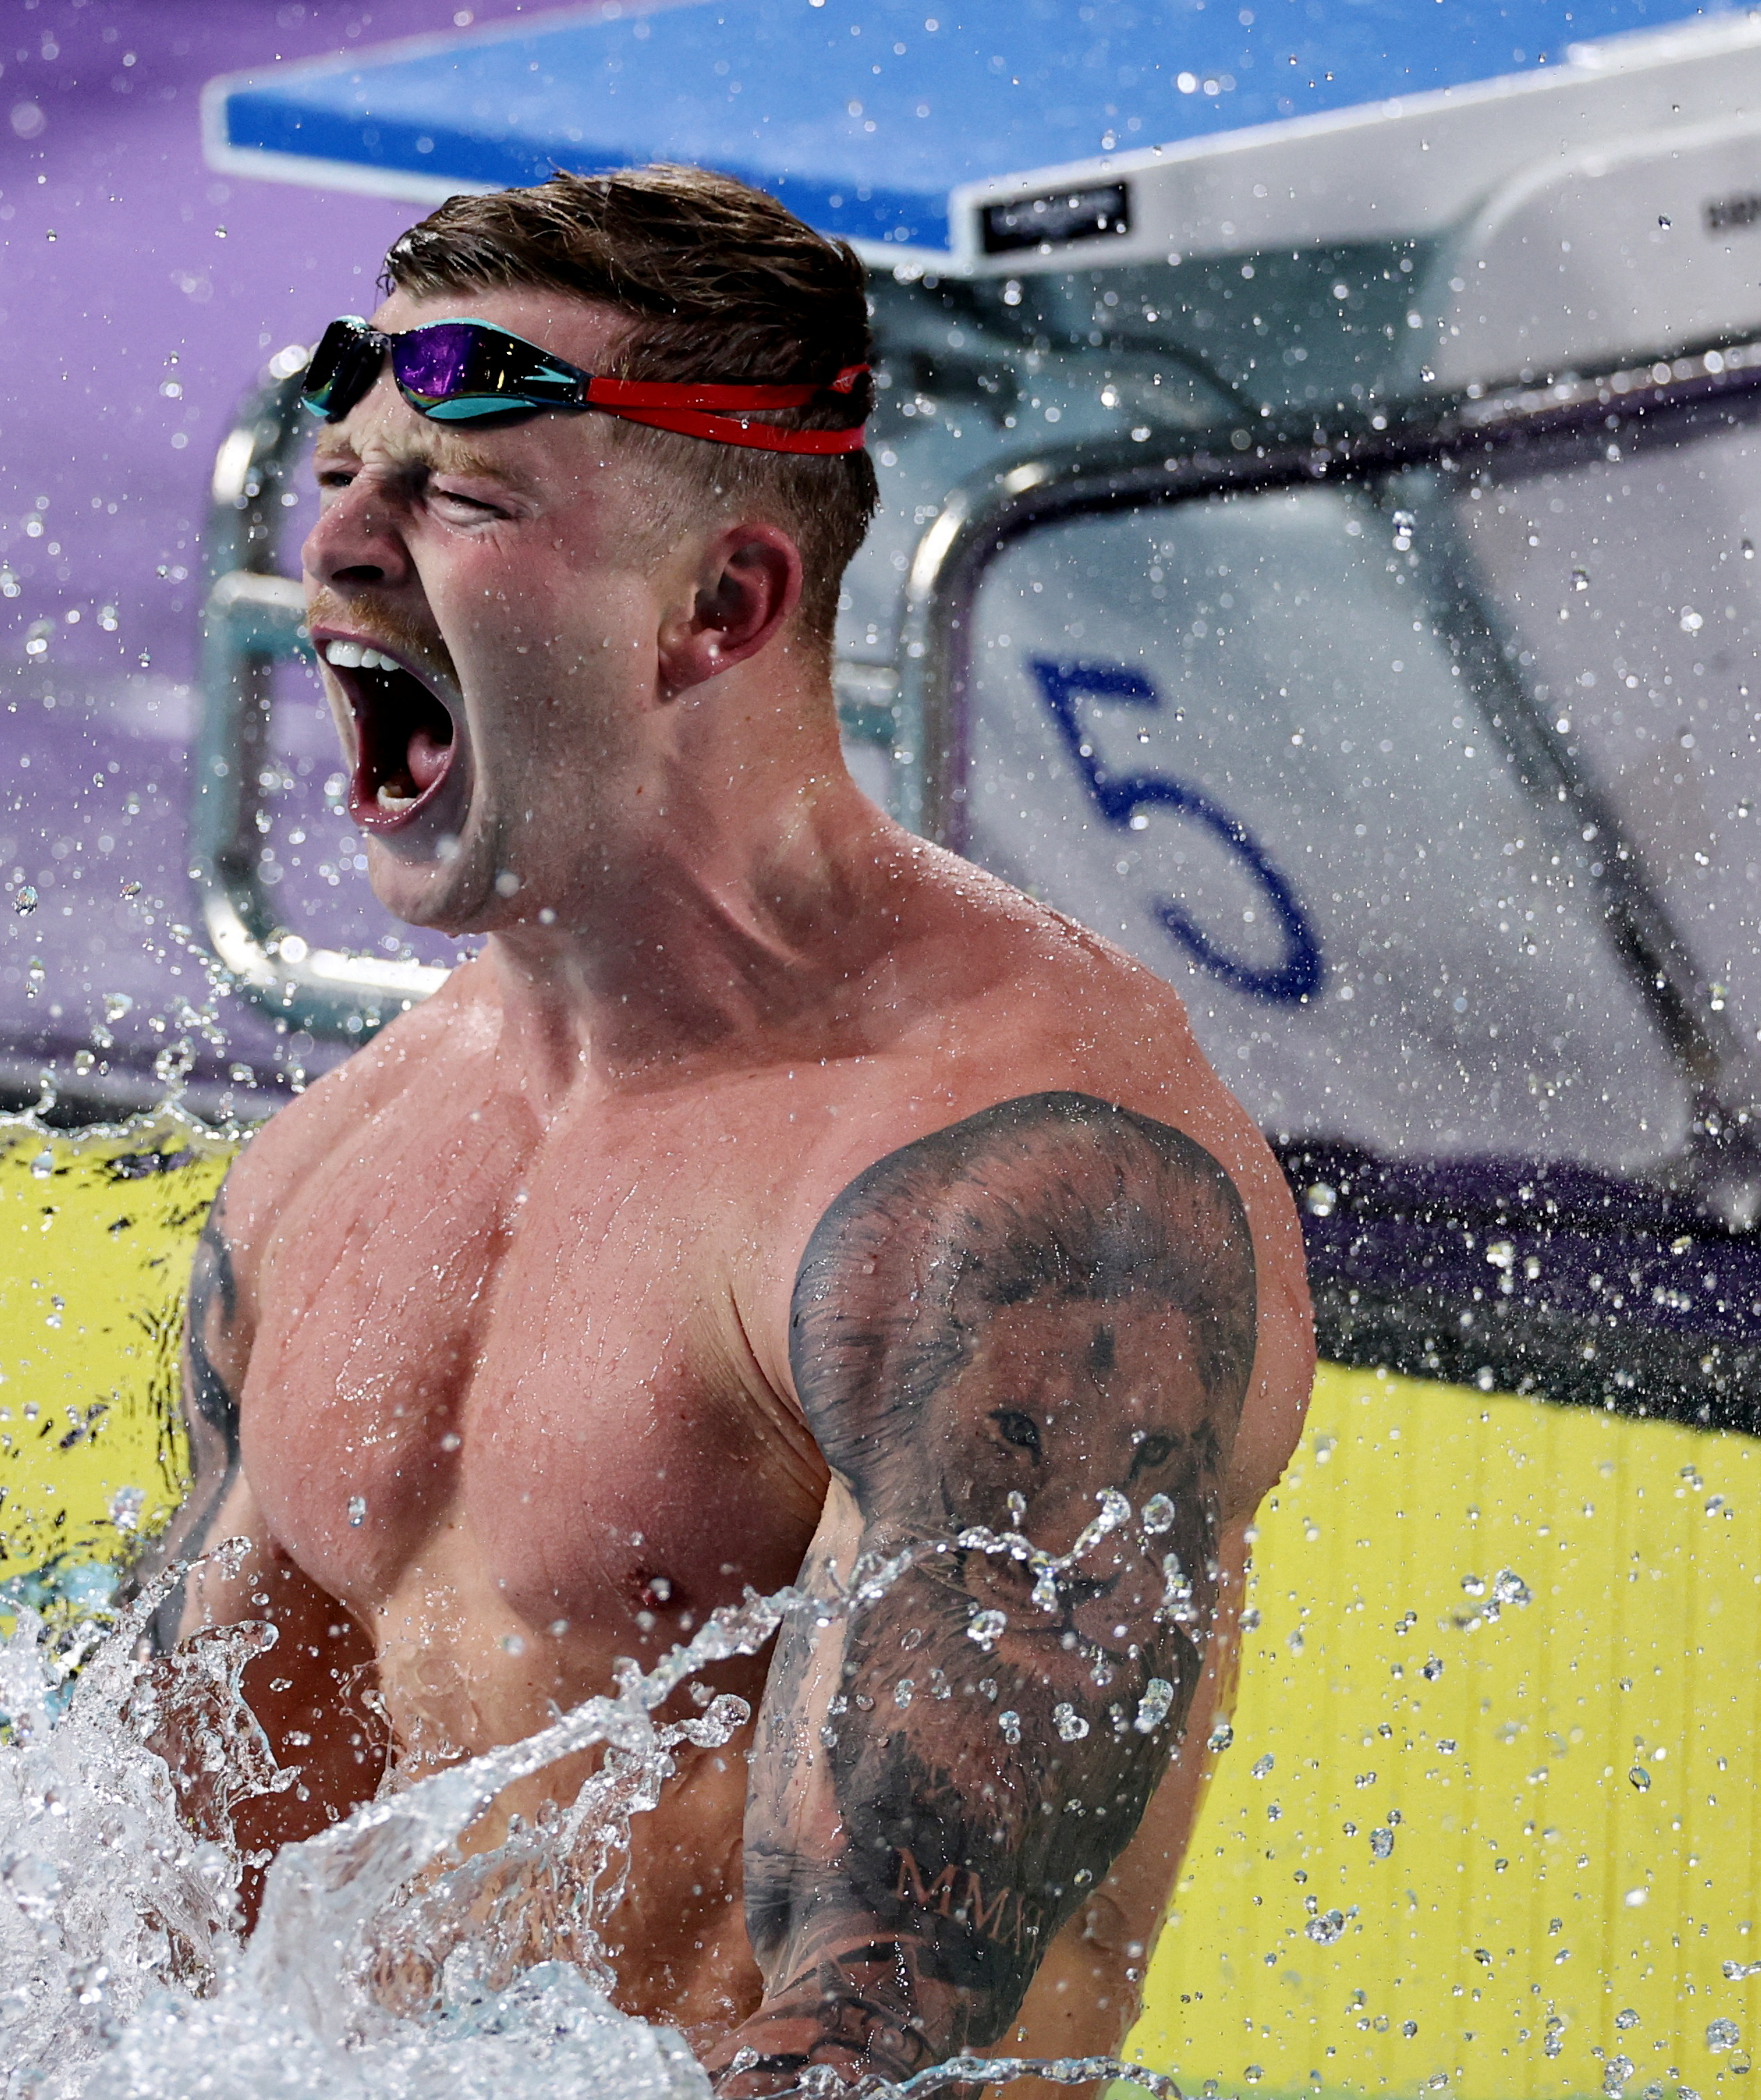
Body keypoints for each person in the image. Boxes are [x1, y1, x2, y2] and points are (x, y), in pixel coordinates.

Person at [137, 166, 1312, 2096]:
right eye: (338, 476)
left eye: (454, 492)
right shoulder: (350, 1152)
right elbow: (158, 1900)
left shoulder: (1009, 1187)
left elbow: (888, 2031)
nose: (338, 548)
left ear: (723, 605)